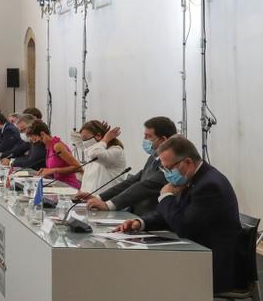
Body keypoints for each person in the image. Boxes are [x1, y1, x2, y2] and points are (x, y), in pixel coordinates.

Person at [116, 135, 243, 292]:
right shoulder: (194, 177)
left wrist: (165, 196)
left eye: (169, 168)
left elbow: (183, 227)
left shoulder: (209, 185)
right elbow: (172, 214)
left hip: (214, 264)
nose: (167, 174)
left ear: (188, 162)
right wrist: (141, 223)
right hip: (197, 253)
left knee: (148, 277)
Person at [77, 116, 177, 214]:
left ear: (163, 140)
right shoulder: (153, 158)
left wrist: (109, 204)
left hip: (152, 218)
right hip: (137, 216)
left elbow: (145, 186)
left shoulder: (172, 162)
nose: (144, 139)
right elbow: (132, 181)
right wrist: (99, 197)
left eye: (148, 136)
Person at [78, 119, 127, 194]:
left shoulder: (116, 151)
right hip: (90, 200)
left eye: (85, 138)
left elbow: (95, 154)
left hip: (106, 201)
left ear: (98, 136)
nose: (84, 142)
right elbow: (87, 180)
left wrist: (105, 139)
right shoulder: (93, 150)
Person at [30, 120, 81, 188]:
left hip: (68, 186)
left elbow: (78, 167)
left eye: (37, 140)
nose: (37, 144)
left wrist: (53, 170)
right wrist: (46, 172)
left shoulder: (57, 146)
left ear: (42, 134)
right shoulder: (49, 147)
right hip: (58, 185)